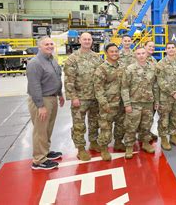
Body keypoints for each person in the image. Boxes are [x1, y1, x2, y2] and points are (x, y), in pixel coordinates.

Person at [64, 32, 103, 161]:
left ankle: (93, 142)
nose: (87, 41)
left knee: (94, 122)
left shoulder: (97, 58)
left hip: (95, 97)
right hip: (80, 98)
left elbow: (101, 77)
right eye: (84, 39)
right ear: (79, 40)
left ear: (92, 41)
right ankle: (80, 149)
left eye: (89, 39)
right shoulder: (72, 58)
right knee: (79, 124)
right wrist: (73, 97)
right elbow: (69, 80)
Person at [26, 36, 64, 170]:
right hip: (42, 99)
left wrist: (60, 94)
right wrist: (40, 106)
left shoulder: (51, 60)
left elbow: (57, 77)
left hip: (52, 97)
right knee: (40, 130)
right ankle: (38, 160)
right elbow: (34, 86)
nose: (49, 46)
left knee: (48, 128)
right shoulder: (35, 63)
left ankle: (45, 152)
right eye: (46, 44)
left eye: (51, 44)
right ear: (39, 47)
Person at [121, 43, 158, 158]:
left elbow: (155, 86)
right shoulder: (130, 69)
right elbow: (124, 87)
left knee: (146, 125)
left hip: (148, 102)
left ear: (146, 54)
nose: (141, 55)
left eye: (143, 53)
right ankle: (129, 146)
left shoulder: (153, 68)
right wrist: (127, 104)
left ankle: (145, 143)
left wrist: (156, 101)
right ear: (135, 55)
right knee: (131, 126)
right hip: (134, 102)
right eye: (138, 54)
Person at [94, 43, 126, 161]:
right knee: (106, 127)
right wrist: (103, 103)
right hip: (108, 103)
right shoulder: (101, 68)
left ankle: (118, 142)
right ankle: (104, 148)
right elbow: (98, 88)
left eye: (116, 51)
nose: (114, 53)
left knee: (120, 125)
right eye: (111, 52)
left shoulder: (122, 66)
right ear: (106, 53)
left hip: (121, 102)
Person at [155, 43, 176, 150]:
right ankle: (164, 139)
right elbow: (160, 81)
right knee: (164, 119)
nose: (171, 50)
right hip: (165, 97)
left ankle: (173, 136)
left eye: (173, 48)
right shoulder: (161, 64)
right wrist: (173, 92)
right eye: (169, 48)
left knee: (175, 118)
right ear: (165, 50)